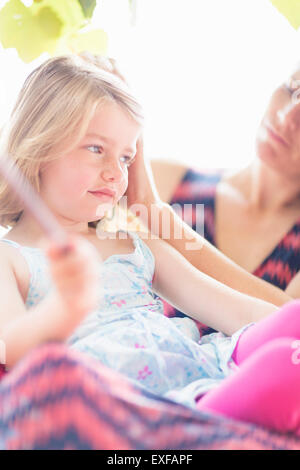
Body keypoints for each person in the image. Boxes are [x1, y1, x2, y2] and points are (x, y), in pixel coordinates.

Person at [0, 54, 300, 442]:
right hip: (139, 403)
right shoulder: (10, 258)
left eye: (127, 156)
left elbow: (231, 308)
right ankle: (227, 407)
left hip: (201, 367)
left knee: (288, 327)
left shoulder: (135, 245)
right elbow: (12, 347)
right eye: (96, 149)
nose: (116, 172)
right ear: (38, 145)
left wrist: (288, 328)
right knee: (279, 367)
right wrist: (66, 308)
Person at [149, 65, 300, 330]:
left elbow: (289, 328)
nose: (288, 116)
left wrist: (159, 219)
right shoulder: (161, 179)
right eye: (293, 89)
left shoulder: (150, 195)